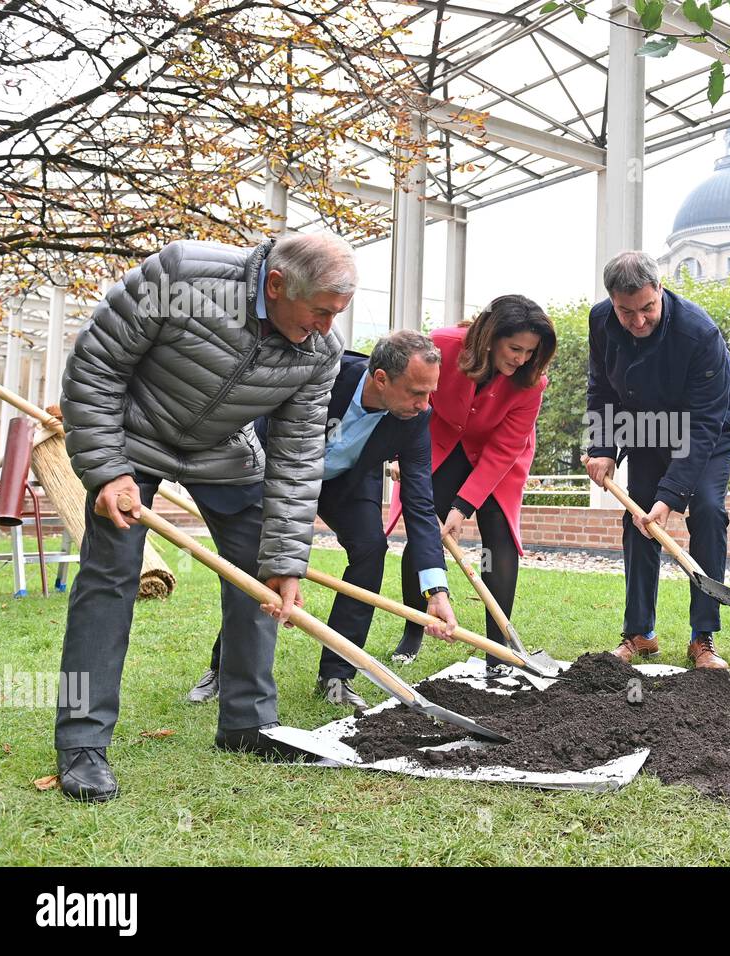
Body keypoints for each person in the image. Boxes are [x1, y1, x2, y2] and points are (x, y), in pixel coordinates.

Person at [54, 232, 354, 802]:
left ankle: (248, 724)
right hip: (131, 438)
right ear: (276, 285)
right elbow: (96, 365)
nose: (324, 327)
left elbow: (296, 456)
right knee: (108, 582)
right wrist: (107, 469)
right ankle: (82, 744)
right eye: (319, 312)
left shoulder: (320, 352)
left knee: (260, 580)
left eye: (335, 316)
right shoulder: (182, 276)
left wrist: (287, 561)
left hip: (224, 452)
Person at [187, 331, 459, 710]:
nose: (425, 404)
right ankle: (224, 668)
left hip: (347, 481)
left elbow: (419, 504)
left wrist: (437, 591)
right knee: (255, 561)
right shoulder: (325, 374)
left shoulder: (415, 418)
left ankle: (337, 674)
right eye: (416, 392)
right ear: (381, 379)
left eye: (430, 392)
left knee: (370, 550)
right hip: (279, 468)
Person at [583, 251, 730, 670]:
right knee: (639, 517)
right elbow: (601, 388)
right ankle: (640, 633)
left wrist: (672, 495)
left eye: (647, 309)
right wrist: (602, 446)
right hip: (647, 424)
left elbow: (705, 424)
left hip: (707, 425)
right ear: (612, 302)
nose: (637, 321)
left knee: (708, 510)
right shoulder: (601, 321)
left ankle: (703, 637)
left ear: (660, 289)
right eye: (626, 312)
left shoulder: (699, 333)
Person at [390, 295, 555, 664]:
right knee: (426, 532)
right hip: (443, 442)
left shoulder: (532, 382)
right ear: (491, 336)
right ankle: (413, 628)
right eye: (515, 348)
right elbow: (411, 400)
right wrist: (403, 452)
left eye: (530, 352)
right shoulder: (443, 346)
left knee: (498, 542)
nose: (521, 359)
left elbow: (504, 448)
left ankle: (499, 648)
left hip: (498, 455)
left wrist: (464, 506)